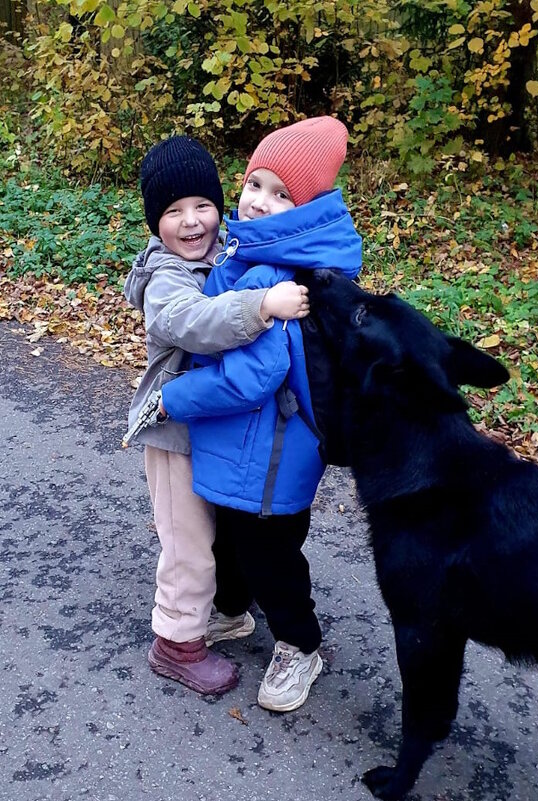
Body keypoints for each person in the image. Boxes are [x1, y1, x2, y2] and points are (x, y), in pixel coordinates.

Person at [160, 116, 363, 712]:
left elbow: (254, 376)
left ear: (309, 204)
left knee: (270, 552)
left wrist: (173, 399)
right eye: (254, 185)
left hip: (273, 445)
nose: (259, 203)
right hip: (249, 441)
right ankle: (230, 611)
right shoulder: (257, 252)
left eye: (282, 195)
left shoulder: (276, 270)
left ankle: (301, 644)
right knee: (234, 535)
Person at [124, 135, 310, 696]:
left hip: (210, 426)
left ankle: (228, 610)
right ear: (154, 223)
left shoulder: (224, 253)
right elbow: (194, 322)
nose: (190, 222)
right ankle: (177, 645)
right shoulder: (166, 278)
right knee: (187, 545)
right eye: (172, 212)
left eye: (202, 206)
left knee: (219, 533)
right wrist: (261, 305)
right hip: (172, 430)